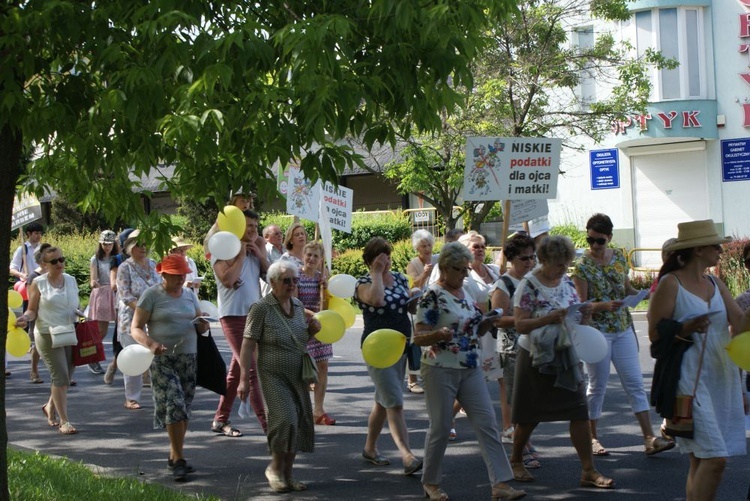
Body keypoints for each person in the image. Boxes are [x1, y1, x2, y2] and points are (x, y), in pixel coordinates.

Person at [648, 219, 750, 501]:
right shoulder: (671, 283)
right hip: (688, 379)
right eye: (715, 245)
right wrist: (686, 327)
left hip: (721, 376)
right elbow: (655, 334)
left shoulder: (715, 282)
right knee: (715, 459)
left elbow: (740, 326)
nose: (720, 249)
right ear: (697, 250)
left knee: (699, 460)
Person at [414, 241, 524, 501]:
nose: (465, 274)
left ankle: (501, 485)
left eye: (466, 269)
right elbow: (418, 337)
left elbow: (474, 328)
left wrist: (487, 322)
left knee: (487, 424)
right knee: (440, 428)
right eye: (460, 270)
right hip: (440, 368)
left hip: (470, 366)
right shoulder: (432, 295)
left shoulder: (466, 292)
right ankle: (430, 482)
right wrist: (437, 334)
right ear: (445, 268)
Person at [509, 235, 614, 490]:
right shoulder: (529, 285)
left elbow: (574, 316)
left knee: (579, 410)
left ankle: (588, 470)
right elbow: (519, 325)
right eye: (558, 265)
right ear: (543, 260)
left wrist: (585, 315)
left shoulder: (566, 281)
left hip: (565, 354)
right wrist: (547, 319)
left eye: (566, 264)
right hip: (536, 356)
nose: (563, 269)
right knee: (529, 415)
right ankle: (515, 460)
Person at [571, 213, 674, 457]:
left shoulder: (618, 257)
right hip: (597, 332)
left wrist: (637, 294)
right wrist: (602, 306)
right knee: (597, 386)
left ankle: (649, 437)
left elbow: (625, 287)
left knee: (635, 384)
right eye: (590, 240)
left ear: (610, 238)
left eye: (600, 241)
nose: (595, 246)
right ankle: (592, 437)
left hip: (622, 327)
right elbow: (582, 304)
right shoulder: (582, 267)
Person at [237, 260, 322, 492]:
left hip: (297, 375)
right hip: (273, 375)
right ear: (273, 282)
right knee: (284, 420)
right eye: (287, 280)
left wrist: (311, 333)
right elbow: (247, 345)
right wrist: (244, 378)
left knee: (298, 423)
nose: (292, 284)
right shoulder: (261, 308)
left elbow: (299, 342)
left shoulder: (297, 305)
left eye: (295, 280)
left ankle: (287, 474)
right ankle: (274, 469)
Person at [130, 254, 209, 482]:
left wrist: (203, 325)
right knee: (174, 404)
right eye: (176, 275)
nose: (181, 279)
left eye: (183, 274)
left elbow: (198, 325)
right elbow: (135, 328)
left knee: (184, 408)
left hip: (189, 358)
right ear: (163, 274)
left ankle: (174, 455)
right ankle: (179, 460)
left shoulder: (189, 294)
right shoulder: (151, 295)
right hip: (163, 359)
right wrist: (150, 343)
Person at [354, 237, 423, 476]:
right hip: (377, 349)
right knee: (394, 401)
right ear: (370, 260)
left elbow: (408, 308)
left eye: (388, 255)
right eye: (380, 256)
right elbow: (377, 300)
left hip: (400, 345)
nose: (386, 260)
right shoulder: (362, 283)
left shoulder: (401, 278)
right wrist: (376, 274)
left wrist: (415, 297)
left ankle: (369, 448)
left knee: (382, 402)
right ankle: (407, 455)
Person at [211, 210, 269, 436]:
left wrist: (260, 255)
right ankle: (269, 427)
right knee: (251, 370)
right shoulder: (222, 251)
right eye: (249, 226)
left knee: (236, 373)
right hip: (232, 317)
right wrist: (242, 256)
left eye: (256, 226)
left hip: (254, 315)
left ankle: (220, 419)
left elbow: (271, 276)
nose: (254, 230)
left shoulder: (257, 248)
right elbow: (228, 280)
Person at [15, 245, 80, 435]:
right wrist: (25, 319)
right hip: (47, 334)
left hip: (69, 331)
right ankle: (64, 421)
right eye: (54, 261)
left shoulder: (71, 280)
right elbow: (32, 309)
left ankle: (50, 406)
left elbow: (75, 307)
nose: (59, 264)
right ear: (44, 264)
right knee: (60, 377)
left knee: (66, 378)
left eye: (61, 259)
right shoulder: (38, 283)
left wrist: (84, 319)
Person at [489, 233, 537, 461]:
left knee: (532, 398)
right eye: (523, 258)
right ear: (511, 259)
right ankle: (521, 448)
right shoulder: (504, 284)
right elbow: (497, 320)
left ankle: (523, 439)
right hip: (511, 348)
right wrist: (528, 319)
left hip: (534, 345)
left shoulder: (534, 279)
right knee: (517, 399)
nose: (529, 262)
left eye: (532, 257)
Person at [116, 230, 160, 410]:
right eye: (139, 245)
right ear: (130, 248)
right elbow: (125, 295)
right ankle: (131, 397)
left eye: (145, 244)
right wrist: (144, 311)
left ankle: (161, 393)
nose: (144, 248)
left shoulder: (153, 264)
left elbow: (160, 288)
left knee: (157, 355)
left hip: (155, 318)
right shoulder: (124, 267)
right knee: (133, 355)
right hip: (131, 319)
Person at [297, 241, 335, 425]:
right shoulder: (296, 275)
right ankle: (302, 410)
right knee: (305, 372)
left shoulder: (322, 278)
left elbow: (328, 306)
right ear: (303, 256)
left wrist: (326, 289)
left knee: (323, 367)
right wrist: (314, 315)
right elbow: (293, 304)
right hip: (303, 328)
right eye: (308, 255)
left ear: (321, 260)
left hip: (321, 328)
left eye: (315, 256)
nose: (311, 259)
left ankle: (318, 410)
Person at [9, 222, 44, 381]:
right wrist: (22, 275)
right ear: (29, 234)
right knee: (30, 315)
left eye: (39, 233)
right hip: (28, 285)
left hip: (43, 285)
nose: (38, 236)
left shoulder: (43, 249)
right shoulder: (23, 249)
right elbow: (12, 267)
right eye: (35, 233)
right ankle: (32, 341)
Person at [405, 229, 438, 394]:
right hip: (417, 306)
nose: (427, 248)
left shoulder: (438, 259)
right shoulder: (413, 264)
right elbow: (412, 286)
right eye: (423, 245)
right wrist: (424, 274)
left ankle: (431, 375)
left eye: (429, 244)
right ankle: (412, 381)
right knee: (415, 342)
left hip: (435, 306)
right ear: (417, 248)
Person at [102, 228, 135, 385]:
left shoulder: (147, 260)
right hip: (124, 305)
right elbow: (114, 285)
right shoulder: (117, 259)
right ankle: (114, 365)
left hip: (143, 305)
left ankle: (145, 374)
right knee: (122, 339)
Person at [87, 230, 119, 375]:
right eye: (104, 244)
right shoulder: (95, 259)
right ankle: (92, 358)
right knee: (101, 330)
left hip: (117, 293)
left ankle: (120, 358)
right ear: (100, 244)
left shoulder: (117, 258)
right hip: (102, 293)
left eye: (110, 244)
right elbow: (92, 279)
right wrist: (94, 283)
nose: (107, 247)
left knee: (121, 327)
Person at [24, 244, 52, 384]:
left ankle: (60, 374)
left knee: (59, 343)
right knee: (38, 345)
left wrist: (82, 319)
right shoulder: (34, 277)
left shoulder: (56, 275)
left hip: (54, 316)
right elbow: (31, 301)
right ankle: (34, 370)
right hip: (39, 316)